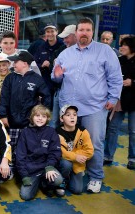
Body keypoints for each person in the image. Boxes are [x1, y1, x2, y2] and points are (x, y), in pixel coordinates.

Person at [52, 17, 123, 193]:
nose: (84, 33)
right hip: (68, 107)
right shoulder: (65, 53)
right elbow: (56, 77)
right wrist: (57, 75)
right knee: (67, 142)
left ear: (93, 32)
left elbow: (115, 77)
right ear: (76, 33)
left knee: (95, 143)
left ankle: (96, 177)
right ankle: (71, 173)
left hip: (94, 106)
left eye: (88, 30)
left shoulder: (105, 51)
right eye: (81, 30)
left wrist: (113, 99)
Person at [0, 50, 51, 166]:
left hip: (29, 124)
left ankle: (25, 171)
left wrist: (41, 117)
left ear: (25, 63)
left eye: (16, 61)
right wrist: (3, 115)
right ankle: (10, 169)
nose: (13, 64)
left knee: (28, 149)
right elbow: (4, 98)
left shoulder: (37, 79)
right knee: (10, 147)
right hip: (11, 122)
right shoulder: (10, 78)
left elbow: (47, 98)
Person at [16, 105, 64, 201]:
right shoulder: (25, 132)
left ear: (47, 118)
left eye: (43, 116)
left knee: (58, 180)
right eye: (37, 115)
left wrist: (50, 166)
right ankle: (38, 183)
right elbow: (20, 156)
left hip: (46, 168)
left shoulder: (51, 132)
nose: (40, 119)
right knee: (26, 196)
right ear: (32, 117)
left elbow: (55, 152)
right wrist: (24, 175)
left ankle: (44, 184)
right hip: (31, 170)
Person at [104, 36, 135, 169]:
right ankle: (108, 156)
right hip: (120, 100)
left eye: (124, 45)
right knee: (112, 128)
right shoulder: (119, 61)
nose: (121, 48)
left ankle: (132, 158)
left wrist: (132, 82)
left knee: (133, 131)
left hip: (134, 101)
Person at [56, 105, 94, 194]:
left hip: (78, 165)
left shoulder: (83, 131)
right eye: (68, 115)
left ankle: (70, 177)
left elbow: (90, 151)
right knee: (66, 164)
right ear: (62, 119)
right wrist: (75, 156)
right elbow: (61, 152)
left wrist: (76, 157)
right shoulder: (57, 133)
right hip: (64, 162)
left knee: (77, 190)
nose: (72, 117)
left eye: (75, 114)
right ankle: (62, 180)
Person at [49, 24, 77, 128]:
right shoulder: (61, 50)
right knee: (55, 122)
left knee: (70, 123)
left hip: (75, 95)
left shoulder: (86, 53)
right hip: (58, 91)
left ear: (75, 36)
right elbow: (52, 69)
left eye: (67, 37)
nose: (64, 40)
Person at [33, 23, 64, 96]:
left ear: (57, 32)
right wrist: (42, 65)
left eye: (52, 31)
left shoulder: (62, 46)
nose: (50, 34)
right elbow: (34, 64)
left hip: (60, 85)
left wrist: (53, 65)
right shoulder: (41, 47)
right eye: (47, 32)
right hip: (46, 85)